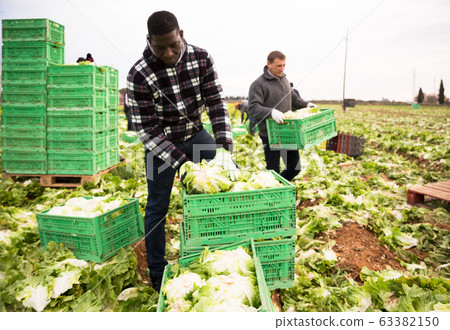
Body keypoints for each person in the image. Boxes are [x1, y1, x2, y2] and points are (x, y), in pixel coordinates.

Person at [127, 11, 234, 292]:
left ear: (181, 34)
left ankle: (224, 252)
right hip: (161, 144)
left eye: (173, 44)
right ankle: (157, 271)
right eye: (160, 47)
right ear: (149, 40)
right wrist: (182, 163)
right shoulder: (139, 74)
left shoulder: (201, 58)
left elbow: (215, 101)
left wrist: (223, 147)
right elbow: (146, 130)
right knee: (157, 207)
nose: (169, 52)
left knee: (227, 186)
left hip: (197, 135)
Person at [248, 50, 316, 181]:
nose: (282, 68)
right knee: (273, 170)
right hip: (270, 134)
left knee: (294, 168)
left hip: (288, 132)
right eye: (279, 66)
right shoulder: (258, 84)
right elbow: (253, 108)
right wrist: (271, 112)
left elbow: (294, 99)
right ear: (268, 64)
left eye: (284, 65)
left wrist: (307, 105)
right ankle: (272, 195)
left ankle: (279, 187)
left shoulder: (285, 79)